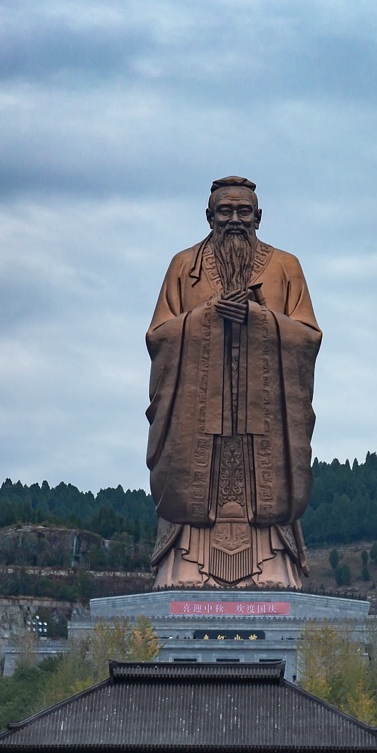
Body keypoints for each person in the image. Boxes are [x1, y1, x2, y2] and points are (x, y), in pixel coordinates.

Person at [146, 176, 322, 588]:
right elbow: (159, 335)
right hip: (199, 416)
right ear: (209, 217)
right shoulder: (183, 266)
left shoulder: (285, 267)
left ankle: (273, 565)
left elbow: (308, 336)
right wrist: (207, 315)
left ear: (259, 217)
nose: (235, 220)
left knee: (263, 487)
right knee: (195, 485)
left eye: (244, 211)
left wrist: (258, 319)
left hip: (262, 418)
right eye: (225, 211)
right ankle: (186, 565)